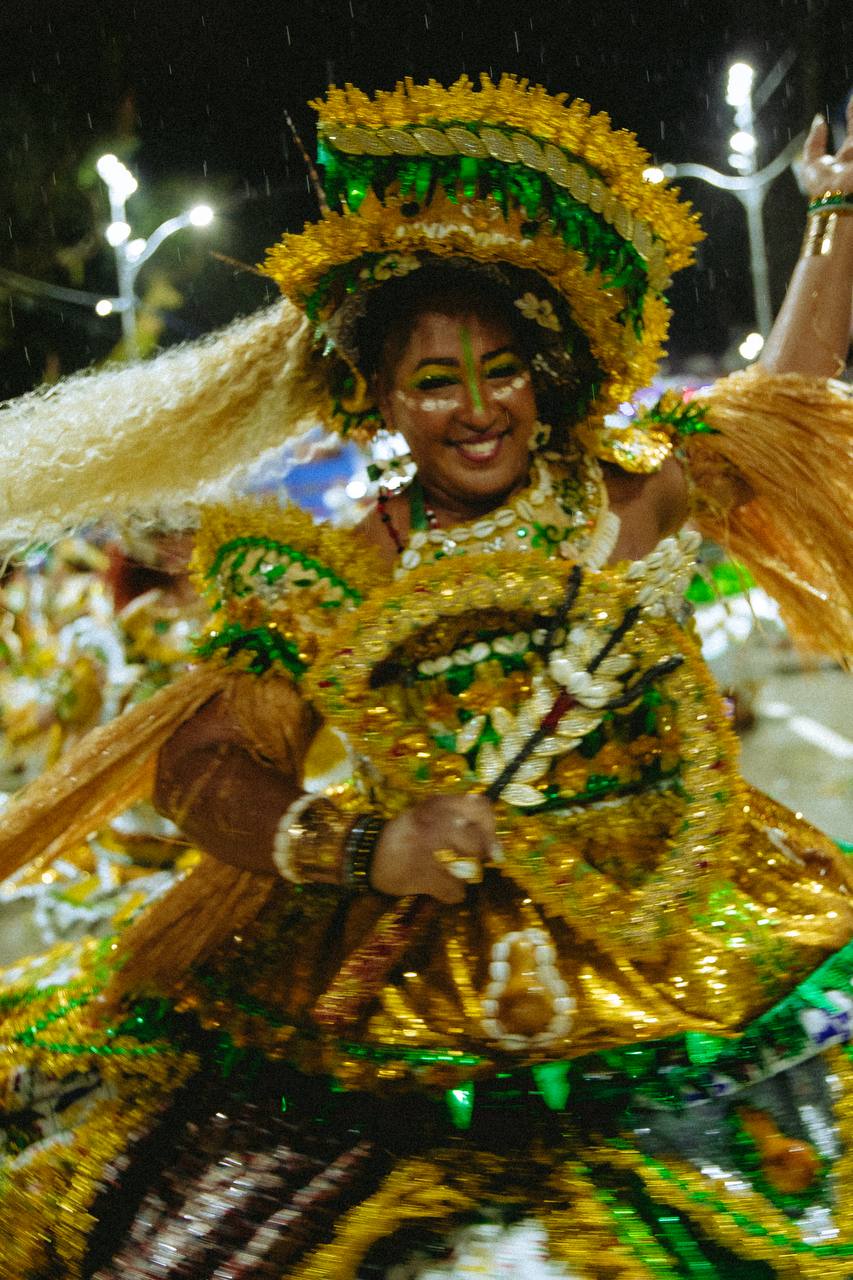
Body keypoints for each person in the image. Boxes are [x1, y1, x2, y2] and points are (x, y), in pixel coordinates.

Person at [0, 75, 851, 1280]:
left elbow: (783, 406)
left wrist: (838, 214)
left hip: (674, 931)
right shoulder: (339, 575)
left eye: (502, 368)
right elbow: (203, 768)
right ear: (381, 397)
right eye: (435, 381)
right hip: (417, 984)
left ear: (546, 369)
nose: (477, 410)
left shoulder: (622, 497)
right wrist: (366, 848)